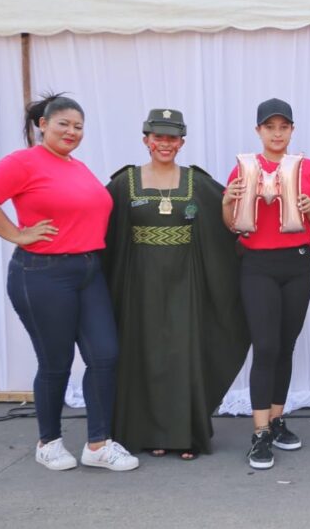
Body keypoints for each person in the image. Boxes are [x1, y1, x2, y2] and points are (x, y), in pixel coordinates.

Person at [0, 94, 138, 472]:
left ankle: (98, 444)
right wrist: (17, 234)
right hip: (42, 274)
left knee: (104, 355)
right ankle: (49, 441)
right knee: (56, 362)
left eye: (78, 126)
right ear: (42, 124)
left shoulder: (77, 166)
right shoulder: (25, 161)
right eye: (63, 124)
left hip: (88, 272)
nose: (72, 132)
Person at [103, 109, 249, 459]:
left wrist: (238, 203)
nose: (164, 144)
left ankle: (186, 435)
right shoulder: (125, 183)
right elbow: (101, 227)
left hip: (188, 284)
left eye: (172, 138)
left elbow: (231, 221)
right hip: (140, 285)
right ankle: (147, 432)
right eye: (158, 137)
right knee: (144, 354)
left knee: (185, 355)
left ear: (181, 142)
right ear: (146, 140)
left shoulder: (197, 182)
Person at [222, 98, 310, 470]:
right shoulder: (245, 168)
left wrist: (307, 206)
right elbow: (231, 221)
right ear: (259, 132)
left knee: (285, 345)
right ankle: (259, 432)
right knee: (265, 346)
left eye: (284, 127)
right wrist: (228, 202)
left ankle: (277, 419)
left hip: (298, 263)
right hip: (257, 264)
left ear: (292, 130)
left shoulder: (307, 168)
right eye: (270, 127)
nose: (277, 133)